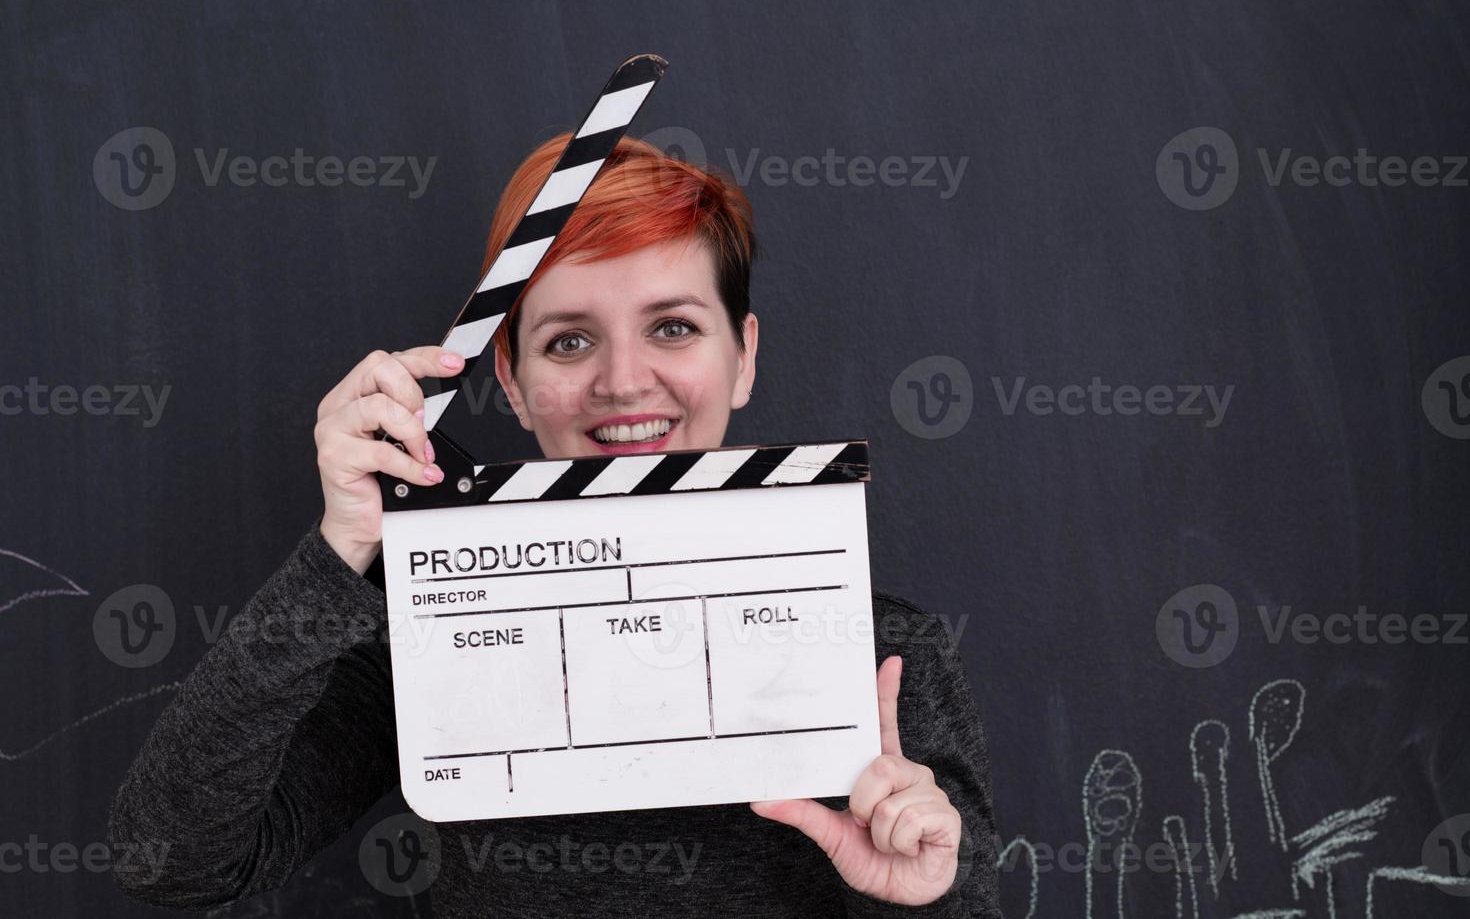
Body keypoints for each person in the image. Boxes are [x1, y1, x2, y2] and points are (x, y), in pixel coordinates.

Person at [107, 133, 1003, 917]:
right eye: (569, 341)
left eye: (675, 328)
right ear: (510, 375)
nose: (621, 382)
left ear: (744, 357)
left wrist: (925, 900)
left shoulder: (884, 654)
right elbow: (174, 860)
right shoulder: (442, 631)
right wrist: (340, 550)